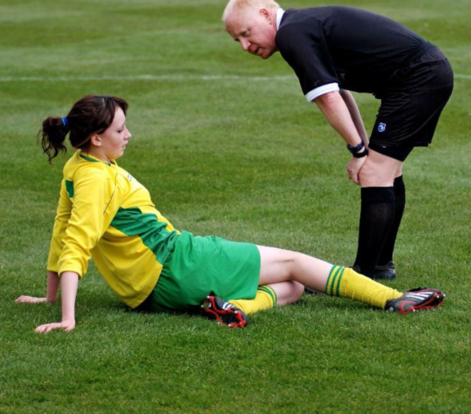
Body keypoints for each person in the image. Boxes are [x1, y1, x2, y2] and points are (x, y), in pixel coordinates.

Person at [16, 95, 445, 333]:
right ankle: (392, 299)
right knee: (296, 261)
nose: (128, 135)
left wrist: (50, 296)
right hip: (177, 264)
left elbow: (60, 231)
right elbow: (75, 241)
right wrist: (66, 319)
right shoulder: (96, 179)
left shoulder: (79, 167)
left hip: (147, 292)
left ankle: (233, 308)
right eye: (120, 130)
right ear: (94, 138)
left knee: (293, 285)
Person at [222, 0, 454, 280]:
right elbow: (340, 93)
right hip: (425, 74)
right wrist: (363, 147)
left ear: (266, 15)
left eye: (246, 33)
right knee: (386, 171)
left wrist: (359, 152)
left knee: (375, 173)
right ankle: (379, 266)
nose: (244, 45)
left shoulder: (291, 33)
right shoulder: (299, 26)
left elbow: (328, 98)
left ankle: (363, 275)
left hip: (418, 78)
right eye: (237, 40)